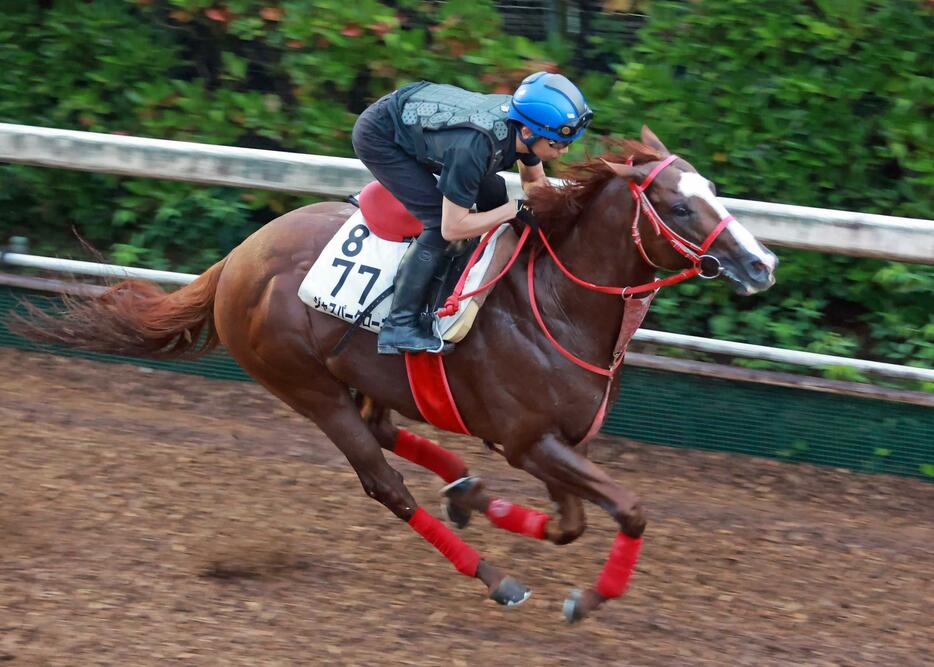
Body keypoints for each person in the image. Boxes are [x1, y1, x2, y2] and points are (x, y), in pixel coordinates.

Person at [351, 71, 593, 355]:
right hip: (381, 137)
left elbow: (534, 182)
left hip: (427, 124)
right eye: (557, 144)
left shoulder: (523, 124)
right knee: (435, 219)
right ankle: (399, 325)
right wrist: (511, 210)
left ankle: (478, 264)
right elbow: (451, 228)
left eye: (567, 144)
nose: (564, 151)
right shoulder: (475, 148)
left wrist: (555, 213)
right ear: (527, 133)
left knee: (493, 188)